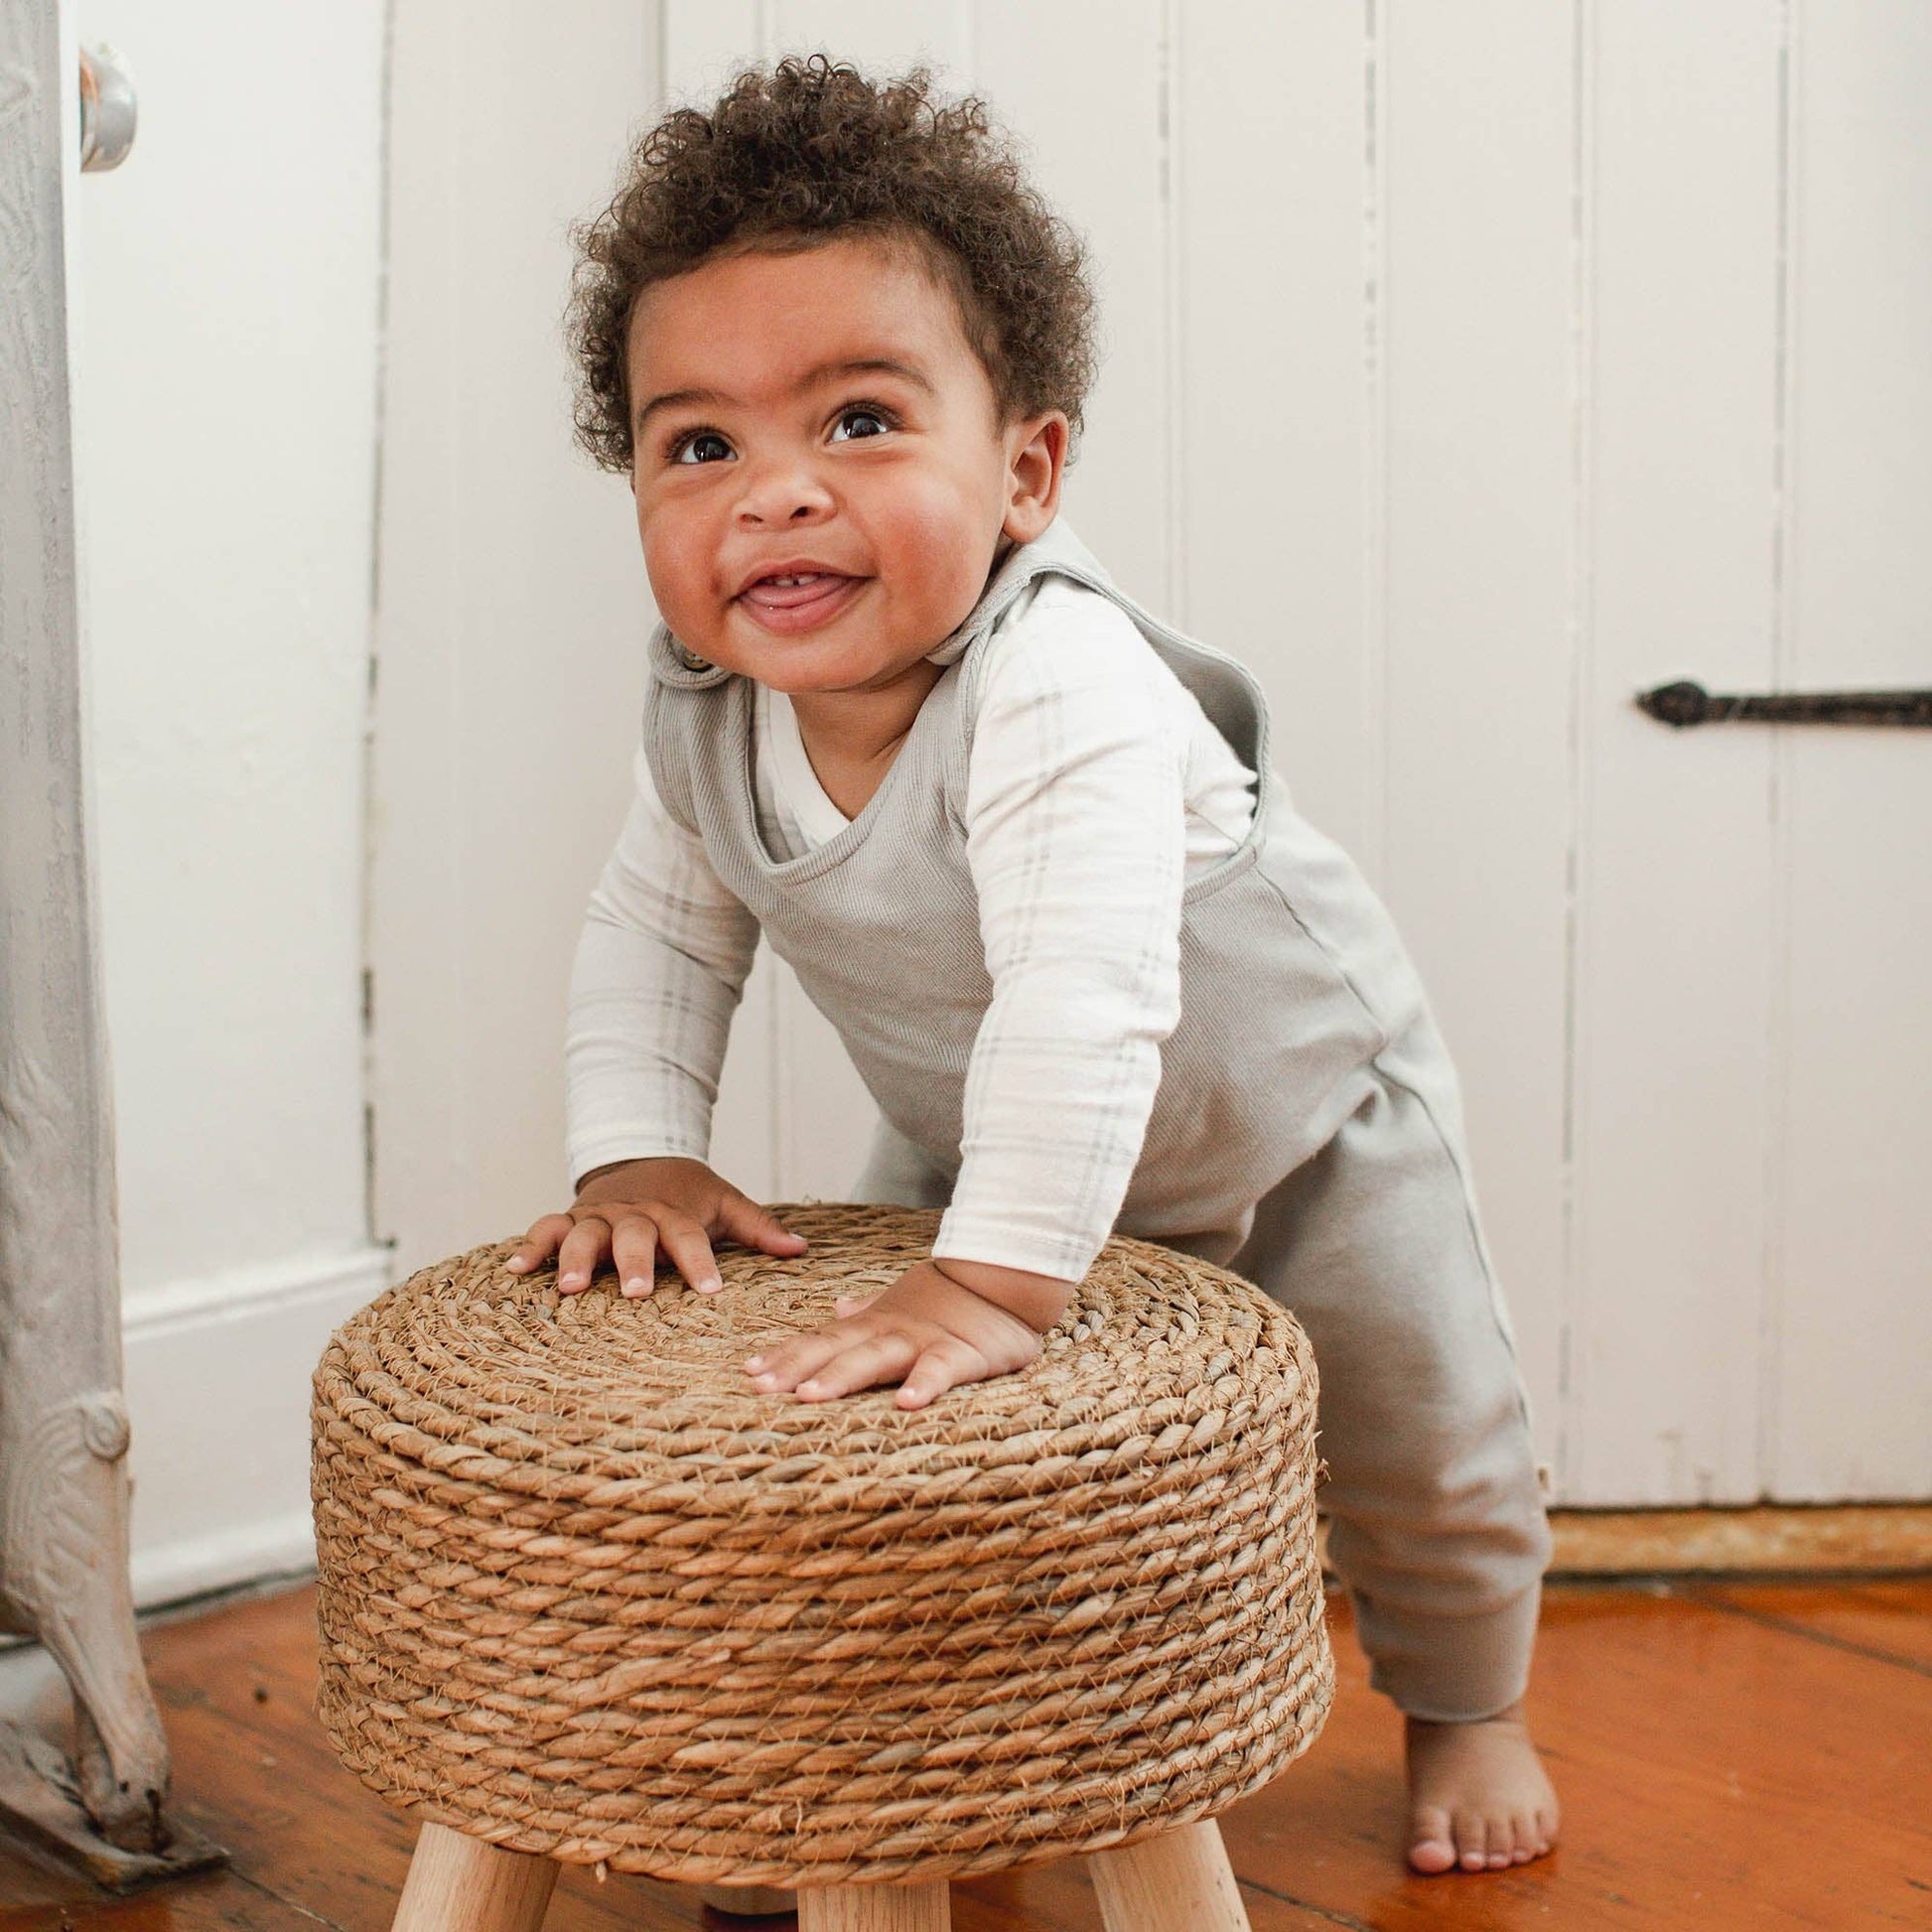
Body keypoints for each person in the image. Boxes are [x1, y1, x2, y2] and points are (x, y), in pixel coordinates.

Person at [506, 56, 1559, 1877]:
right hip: (979, 1121)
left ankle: (1467, 1696)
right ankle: (941, 1736)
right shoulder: (707, 711)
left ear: (1023, 472)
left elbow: (1085, 992)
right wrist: (639, 1154)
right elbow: (658, 934)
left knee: (1421, 1434)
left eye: (857, 421)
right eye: (700, 446)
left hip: (1291, 1122)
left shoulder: (1056, 676)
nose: (773, 495)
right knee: (891, 1427)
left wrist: (989, 1283)